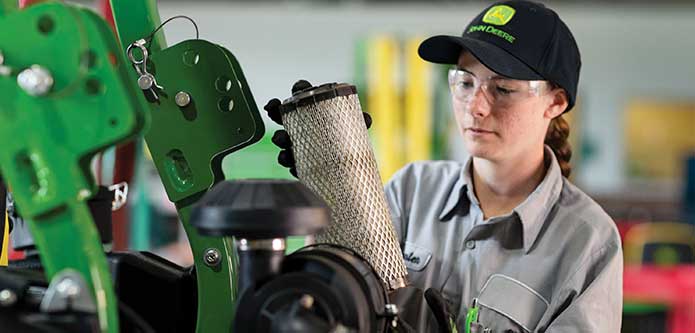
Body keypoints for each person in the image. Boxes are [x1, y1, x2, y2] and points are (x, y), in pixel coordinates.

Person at [266, 1, 623, 332]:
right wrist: (334, 193)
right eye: (465, 82)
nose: (475, 106)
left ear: (555, 102)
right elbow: (345, 297)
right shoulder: (413, 190)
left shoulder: (587, 241)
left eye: (502, 89)